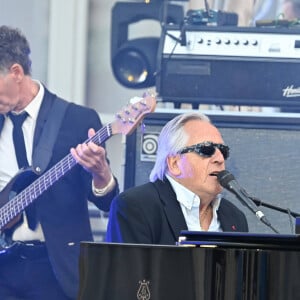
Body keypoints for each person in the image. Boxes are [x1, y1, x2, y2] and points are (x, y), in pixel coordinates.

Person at [0, 25, 119, 300]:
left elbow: (106, 202)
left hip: (54, 269)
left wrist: (101, 173)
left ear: (16, 73)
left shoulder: (77, 120)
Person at [106, 112, 248, 245]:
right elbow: (129, 271)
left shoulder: (235, 217)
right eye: (206, 149)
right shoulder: (135, 206)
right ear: (174, 164)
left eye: (223, 151)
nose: (219, 158)